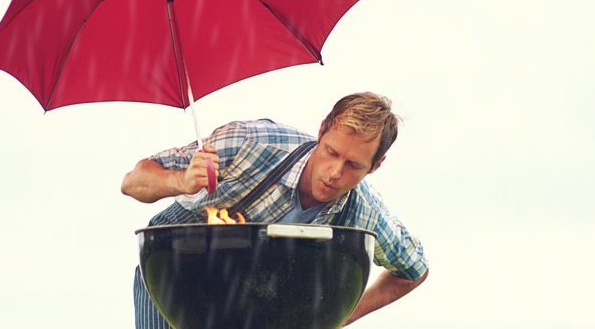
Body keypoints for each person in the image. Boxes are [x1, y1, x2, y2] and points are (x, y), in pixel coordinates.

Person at [122, 92, 429, 328]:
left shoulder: (365, 210)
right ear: (321, 131)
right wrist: (182, 180)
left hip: (258, 304)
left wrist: (338, 317)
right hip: (175, 274)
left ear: (375, 166)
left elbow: (413, 271)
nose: (335, 172)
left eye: (353, 165)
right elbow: (133, 181)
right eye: (331, 152)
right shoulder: (249, 143)